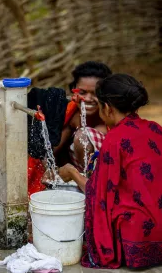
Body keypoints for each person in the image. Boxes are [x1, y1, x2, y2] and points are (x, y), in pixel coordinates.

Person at [59, 74, 162, 269]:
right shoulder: (156, 129)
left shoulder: (115, 139)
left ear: (107, 107)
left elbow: (99, 195)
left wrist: (73, 172)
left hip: (137, 238)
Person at [28, 61, 112, 196]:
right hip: (76, 178)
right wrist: (50, 169)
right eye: (82, 92)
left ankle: (91, 189)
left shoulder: (112, 117)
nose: (88, 99)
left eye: (95, 93)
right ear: (73, 91)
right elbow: (51, 150)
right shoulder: (71, 115)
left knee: (83, 136)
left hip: (106, 179)